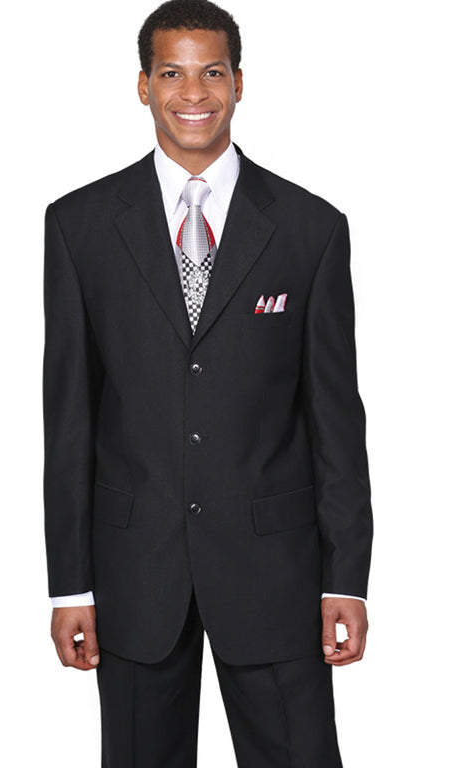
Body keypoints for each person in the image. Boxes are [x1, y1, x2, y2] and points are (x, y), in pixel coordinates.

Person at [43, 1, 373, 765]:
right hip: (134, 573)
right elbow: (69, 418)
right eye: (172, 73)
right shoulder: (79, 225)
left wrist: (347, 578)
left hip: (276, 571)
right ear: (143, 85)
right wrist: (70, 586)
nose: (194, 93)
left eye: (212, 72)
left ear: (239, 82)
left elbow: (335, 419)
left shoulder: (310, 228)